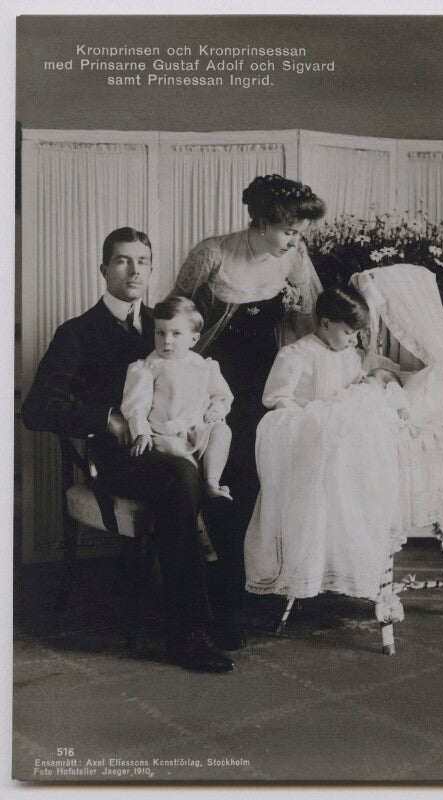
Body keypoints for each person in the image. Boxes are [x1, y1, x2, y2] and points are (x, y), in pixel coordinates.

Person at [21, 227, 237, 673]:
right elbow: (37, 409)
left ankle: (223, 609)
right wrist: (106, 417)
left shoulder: (168, 324)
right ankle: (188, 632)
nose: (134, 270)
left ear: (152, 268)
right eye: (122, 260)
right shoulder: (77, 332)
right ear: (104, 269)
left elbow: (198, 380)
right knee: (180, 477)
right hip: (119, 459)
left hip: (177, 442)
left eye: (143, 260)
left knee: (217, 468)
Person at [168, 174, 325, 627]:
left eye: (299, 232)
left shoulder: (293, 256)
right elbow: (176, 319)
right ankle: (217, 596)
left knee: (264, 476)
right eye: (290, 230)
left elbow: (310, 316)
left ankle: (258, 586)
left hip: (265, 380)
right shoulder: (212, 253)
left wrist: (298, 308)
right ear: (261, 220)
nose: (297, 241)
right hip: (213, 382)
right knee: (223, 481)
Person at [244, 287, 405, 602]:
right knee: (314, 505)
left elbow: (351, 389)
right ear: (325, 323)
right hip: (308, 438)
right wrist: (311, 423)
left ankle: (348, 565)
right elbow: (277, 399)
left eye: (356, 334)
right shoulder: (297, 354)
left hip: (340, 441)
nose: (352, 340)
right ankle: (305, 572)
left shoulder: (347, 355)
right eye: (347, 332)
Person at [121, 297, 233, 501]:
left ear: (193, 338)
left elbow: (222, 394)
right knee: (186, 474)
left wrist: (217, 408)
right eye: (160, 333)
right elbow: (137, 406)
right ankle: (196, 515)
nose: (167, 341)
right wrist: (141, 433)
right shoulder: (148, 367)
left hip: (198, 428)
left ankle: (212, 481)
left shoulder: (203, 365)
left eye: (176, 334)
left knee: (223, 431)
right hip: (166, 433)